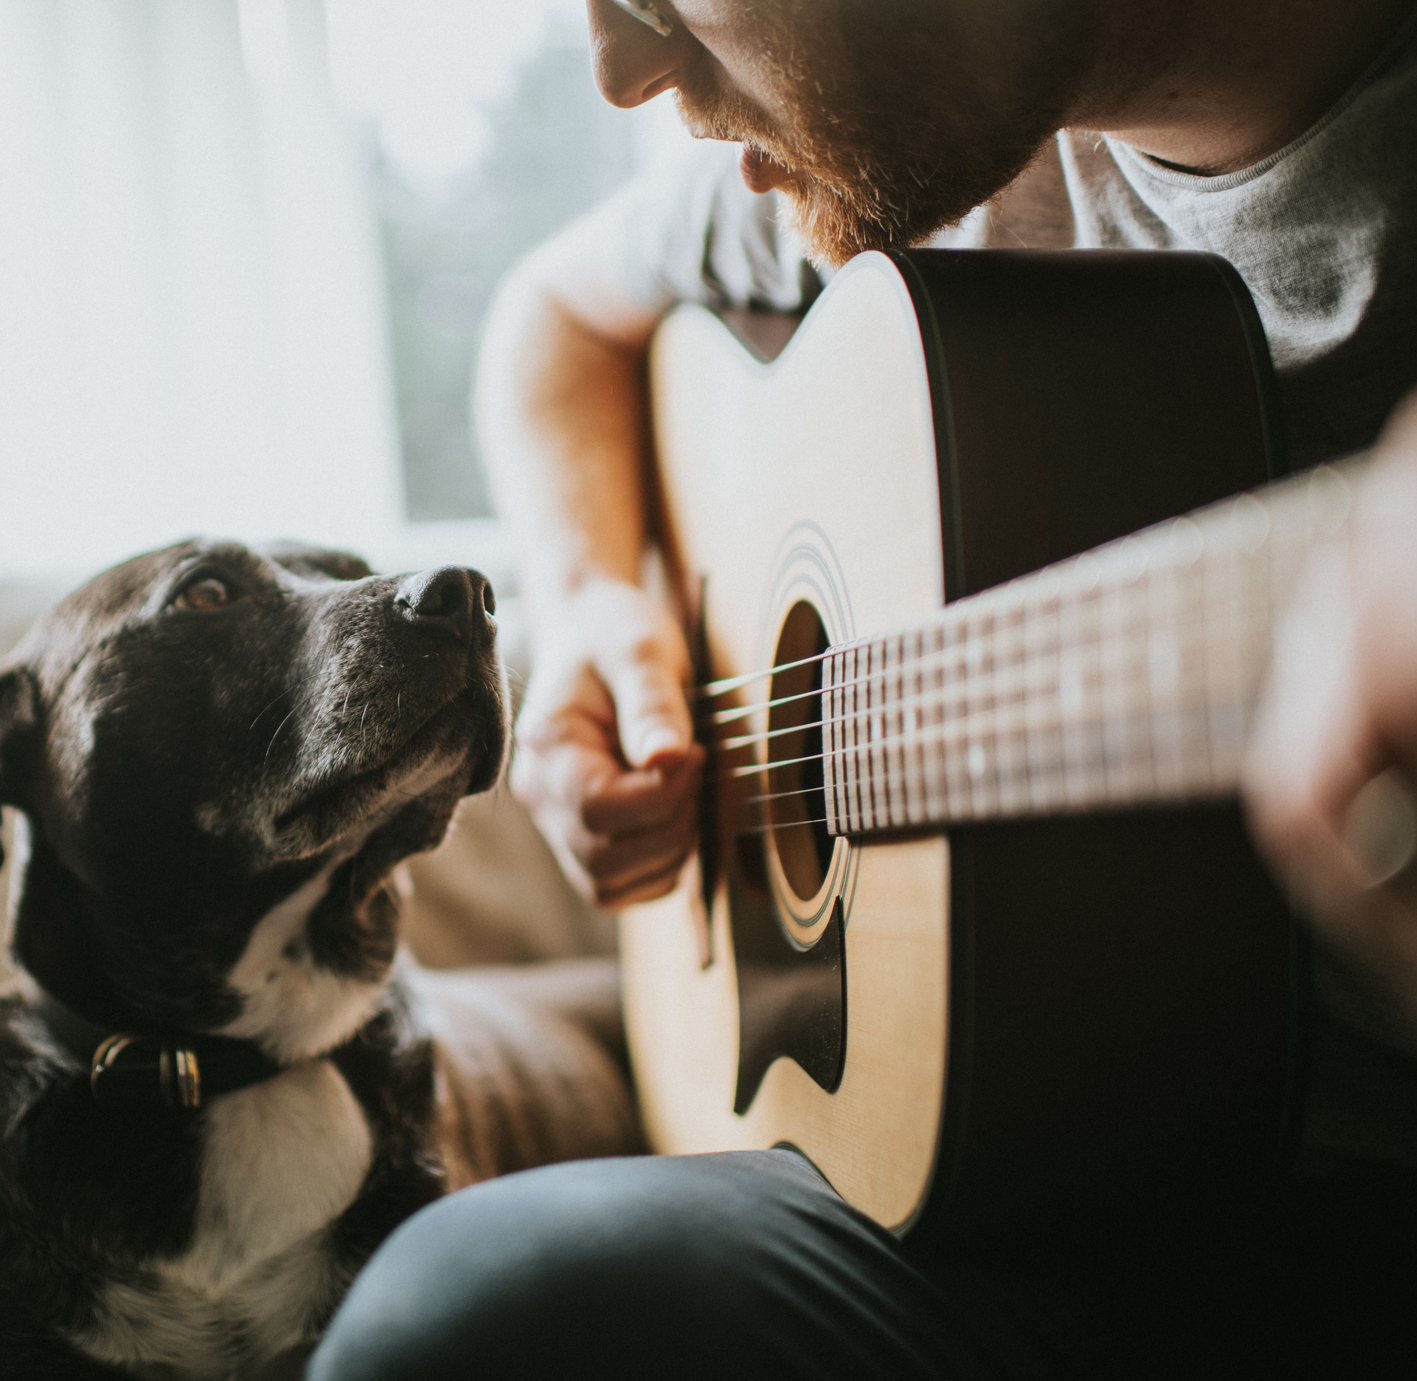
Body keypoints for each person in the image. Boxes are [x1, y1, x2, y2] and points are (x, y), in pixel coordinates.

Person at [308, 0, 1417, 1374]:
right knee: (469, 1315)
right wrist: (595, 596)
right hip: (1037, 1195)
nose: (619, 67)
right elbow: (552, 321)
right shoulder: (915, 143)